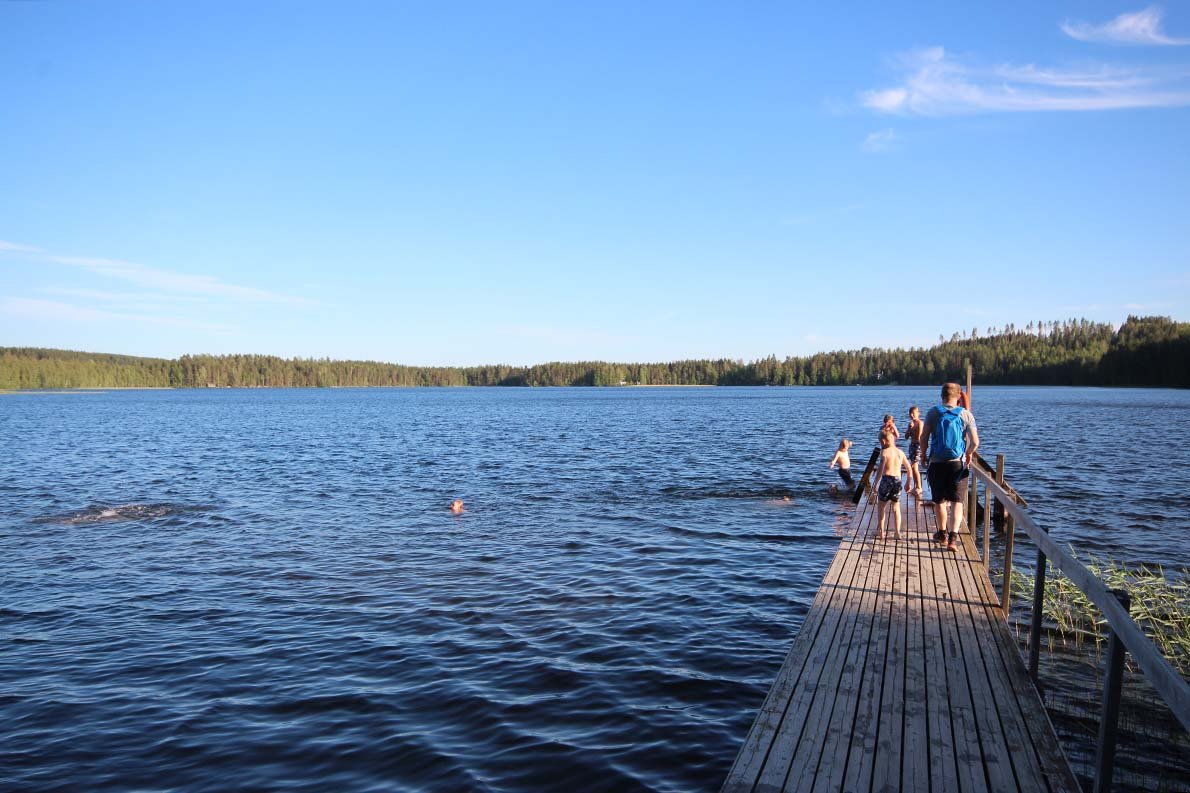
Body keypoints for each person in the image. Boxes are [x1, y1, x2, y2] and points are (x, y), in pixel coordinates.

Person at [919, 382, 979, 552]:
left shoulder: (933, 413)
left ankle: (942, 533)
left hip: (937, 463)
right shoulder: (966, 415)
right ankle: (953, 539)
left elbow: (924, 437)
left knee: (939, 500)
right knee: (957, 502)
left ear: (942, 396)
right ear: (959, 396)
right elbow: (975, 442)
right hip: (957, 464)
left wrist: (923, 455)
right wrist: (968, 454)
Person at [874, 430, 912, 540]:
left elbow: (881, 468)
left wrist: (876, 482)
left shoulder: (884, 452)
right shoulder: (900, 452)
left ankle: (881, 533)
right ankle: (897, 533)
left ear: (883, 441)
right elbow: (909, 469)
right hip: (897, 481)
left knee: (881, 507)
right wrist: (908, 482)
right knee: (896, 508)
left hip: (886, 480)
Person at [905, 406, 924, 496]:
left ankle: (919, 487)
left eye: (913, 413)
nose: (912, 415)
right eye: (910, 414)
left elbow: (920, 437)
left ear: (918, 413)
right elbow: (906, 437)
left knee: (914, 467)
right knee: (913, 467)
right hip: (912, 446)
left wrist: (923, 451)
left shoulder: (920, 423)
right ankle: (916, 486)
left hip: (918, 446)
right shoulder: (911, 424)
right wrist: (909, 428)